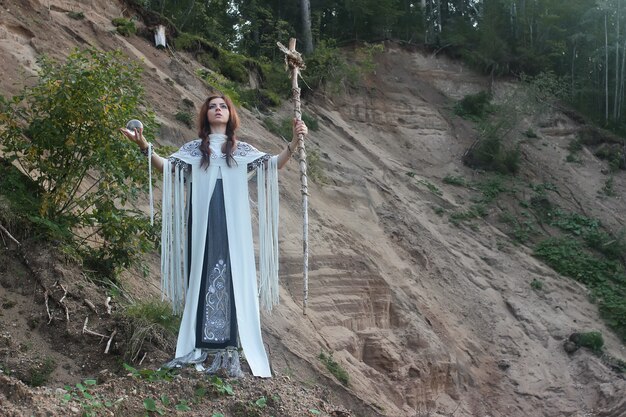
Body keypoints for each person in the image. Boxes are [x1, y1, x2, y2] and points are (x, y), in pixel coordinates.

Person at [120, 94, 308, 378]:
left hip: (233, 223)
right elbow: (167, 167)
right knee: (203, 268)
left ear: (230, 114)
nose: (217, 110)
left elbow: (273, 163)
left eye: (222, 106)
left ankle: (228, 347)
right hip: (203, 219)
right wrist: (144, 145)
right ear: (205, 115)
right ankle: (201, 345)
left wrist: (295, 142)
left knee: (232, 271)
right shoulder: (195, 149)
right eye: (212, 106)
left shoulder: (240, 149)